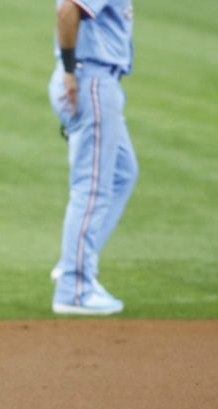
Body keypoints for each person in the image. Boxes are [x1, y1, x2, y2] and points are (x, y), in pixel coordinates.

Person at [47, 0, 138, 315]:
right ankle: (75, 287)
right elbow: (67, 10)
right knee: (93, 185)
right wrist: (72, 72)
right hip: (90, 79)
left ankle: (75, 261)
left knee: (122, 173)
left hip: (94, 79)